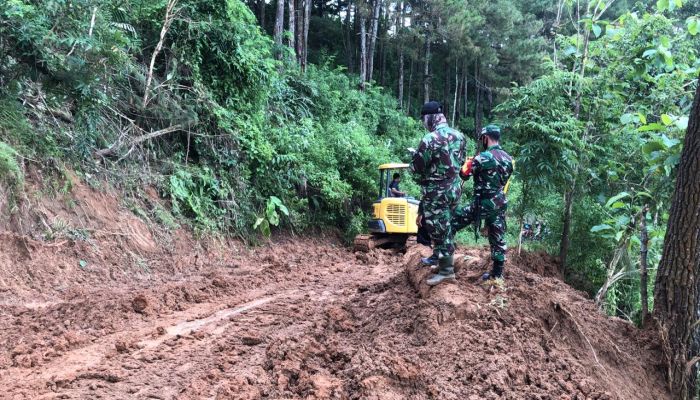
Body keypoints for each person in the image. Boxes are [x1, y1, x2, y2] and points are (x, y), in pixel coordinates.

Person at [410, 101, 466, 286]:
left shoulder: (429, 139)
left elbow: (416, 168)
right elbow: (461, 161)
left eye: (424, 119)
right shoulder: (460, 136)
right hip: (455, 189)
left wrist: (415, 162)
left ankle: (446, 271)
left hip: (437, 192)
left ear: (430, 118)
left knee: (439, 229)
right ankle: (441, 261)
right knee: (445, 225)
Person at [452, 124, 514, 281]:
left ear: (486, 138)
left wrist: (469, 162)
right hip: (499, 202)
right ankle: (497, 274)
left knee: (452, 221)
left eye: (482, 139)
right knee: (497, 237)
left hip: (483, 203)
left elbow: (463, 175)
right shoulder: (508, 159)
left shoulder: (483, 157)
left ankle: (444, 260)